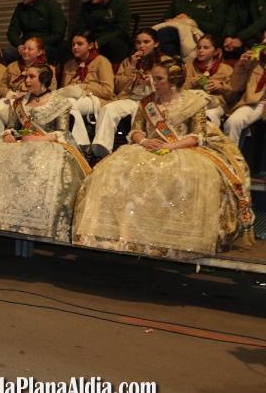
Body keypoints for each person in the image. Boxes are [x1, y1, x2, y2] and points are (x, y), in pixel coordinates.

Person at [73, 58, 253, 259]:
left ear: (174, 80)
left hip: (183, 148)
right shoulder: (147, 102)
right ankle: (122, 235)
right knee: (111, 171)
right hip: (148, 147)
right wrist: (144, 141)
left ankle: (174, 240)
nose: (154, 82)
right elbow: (136, 130)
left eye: (159, 79)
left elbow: (198, 136)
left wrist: (170, 146)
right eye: (153, 78)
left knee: (185, 177)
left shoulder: (194, 102)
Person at [0, 64, 91, 243]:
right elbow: (11, 126)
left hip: (49, 145)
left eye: (31, 77)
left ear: (44, 80)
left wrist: (39, 139)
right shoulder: (19, 102)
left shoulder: (60, 103)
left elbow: (62, 133)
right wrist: (9, 134)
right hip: (20, 144)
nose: (26, 81)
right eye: (26, 76)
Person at [91, 28, 161, 158]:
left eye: (146, 42)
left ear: (156, 43)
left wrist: (151, 81)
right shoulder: (129, 61)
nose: (141, 46)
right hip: (131, 99)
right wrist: (131, 67)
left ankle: (137, 153)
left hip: (154, 100)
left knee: (139, 117)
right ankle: (101, 152)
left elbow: (170, 84)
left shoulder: (164, 62)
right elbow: (118, 86)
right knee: (108, 108)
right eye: (138, 43)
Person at [58, 31, 114, 151]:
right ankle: (77, 143)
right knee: (62, 103)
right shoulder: (69, 64)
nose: (75, 47)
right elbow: (65, 89)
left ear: (90, 45)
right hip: (75, 98)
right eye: (73, 44)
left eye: (79, 44)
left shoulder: (101, 61)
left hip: (96, 99)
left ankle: (82, 144)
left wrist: (85, 86)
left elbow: (108, 91)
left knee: (68, 104)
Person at [0, 37, 55, 137]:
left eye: (30, 49)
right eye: (24, 48)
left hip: (34, 101)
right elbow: (1, 86)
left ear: (39, 52)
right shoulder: (12, 66)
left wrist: (28, 94)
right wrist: (10, 94)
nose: (25, 51)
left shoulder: (47, 69)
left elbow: (52, 89)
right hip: (13, 100)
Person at [157, 0, 224, 58]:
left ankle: (173, 62)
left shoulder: (215, 1)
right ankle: (171, 62)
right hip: (174, 37)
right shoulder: (178, 1)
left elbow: (217, 28)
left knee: (167, 33)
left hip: (200, 41)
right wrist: (176, 20)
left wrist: (191, 21)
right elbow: (162, 21)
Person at [6, 0, 67, 64]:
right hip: (25, 45)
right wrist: (19, 44)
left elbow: (58, 34)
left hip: (46, 45)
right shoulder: (20, 8)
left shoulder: (52, 6)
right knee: (8, 53)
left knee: (46, 52)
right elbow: (12, 32)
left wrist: (37, 45)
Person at [74, 0, 132, 64]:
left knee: (116, 45)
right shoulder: (85, 6)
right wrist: (84, 40)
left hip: (112, 39)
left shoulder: (120, 4)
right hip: (92, 39)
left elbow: (121, 29)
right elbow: (81, 27)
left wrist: (100, 41)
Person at [221, 41, 266, 145]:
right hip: (256, 102)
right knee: (233, 122)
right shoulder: (254, 60)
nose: (264, 42)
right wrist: (241, 65)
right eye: (264, 39)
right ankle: (231, 154)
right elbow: (236, 87)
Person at [182, 34, 232, 126]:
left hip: (216, 106)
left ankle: (212, 135)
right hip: (192, 104)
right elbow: (180, 90)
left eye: (206, 48)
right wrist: (195, 81)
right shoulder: (188, 67)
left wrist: (222, 87)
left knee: (210, 114)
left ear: (216, 51)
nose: (201, 50)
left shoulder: (226, 69)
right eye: (199, 47)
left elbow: (233, 97)